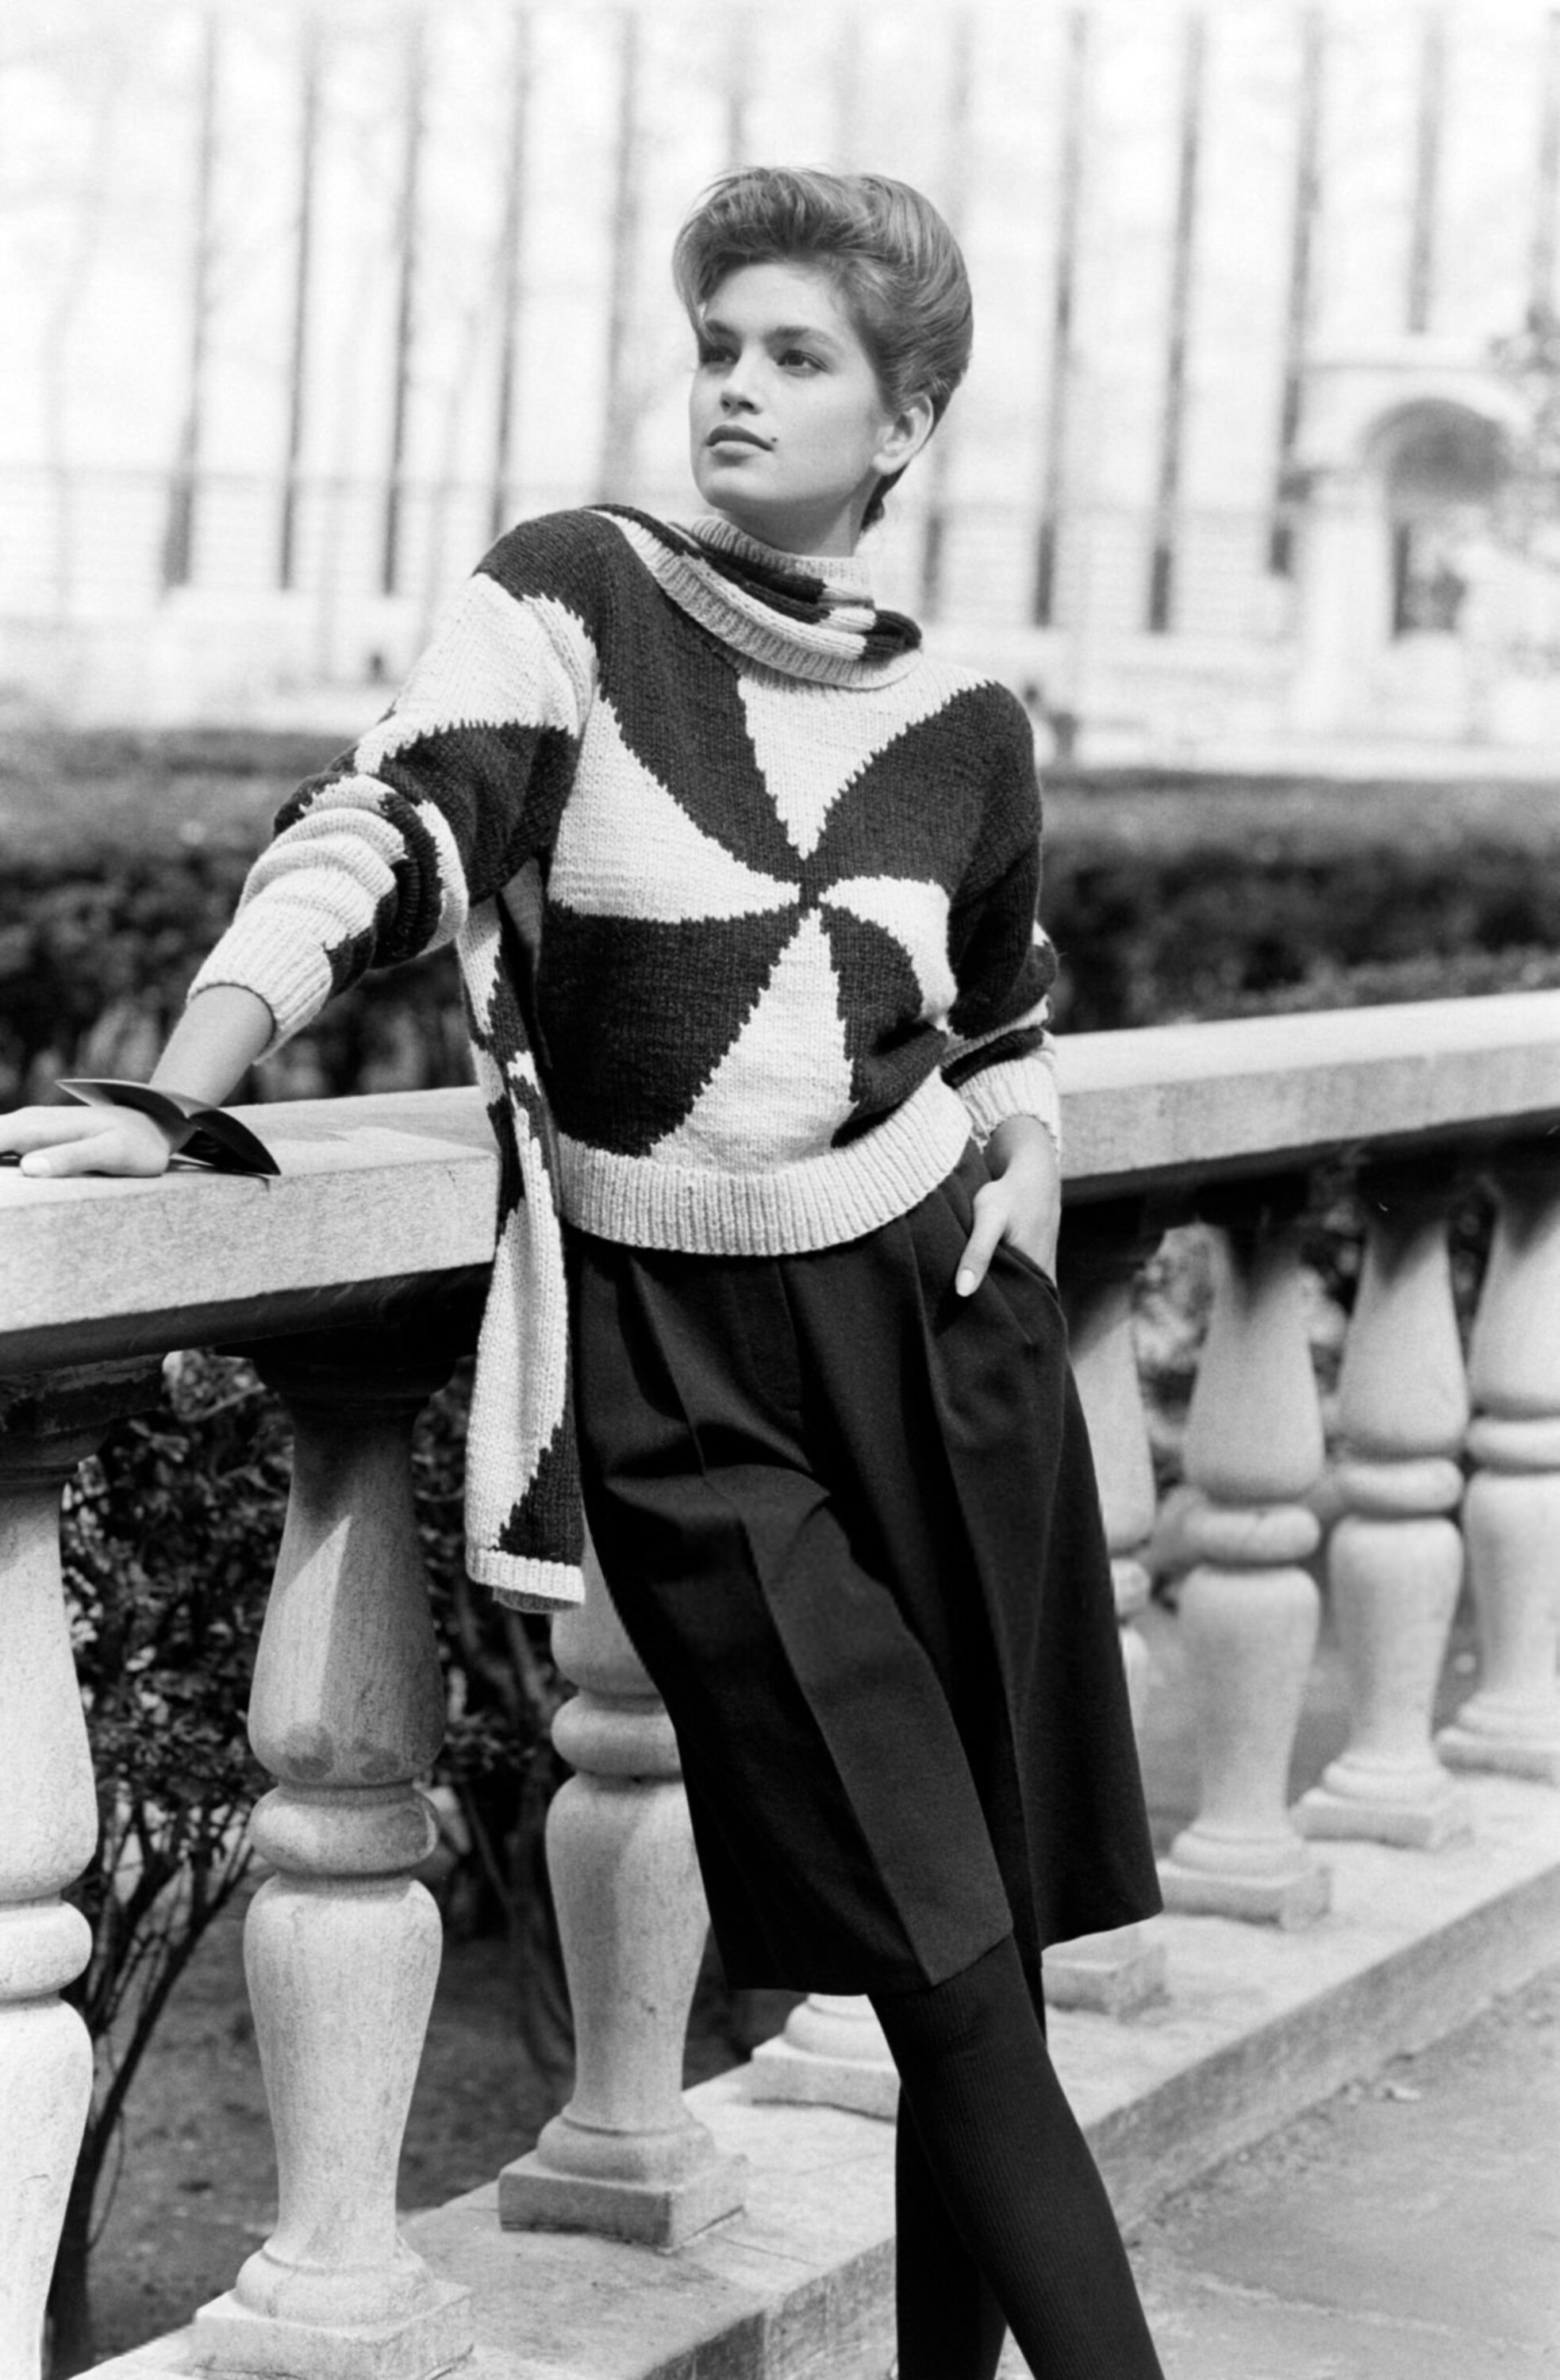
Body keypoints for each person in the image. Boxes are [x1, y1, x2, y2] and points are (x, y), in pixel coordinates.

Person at [4, 167, 1164, 2380]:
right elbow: (381, 831)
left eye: (798, 355)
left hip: (946, 1331)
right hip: (680, 1362)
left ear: (906, 420)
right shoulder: (575, 598)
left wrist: (1030, 1150)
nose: (736, 386)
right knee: (932, 1942)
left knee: (986, 1955)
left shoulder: (967, 717)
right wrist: (173, 1092)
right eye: (720, 345)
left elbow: (1006, 1012)